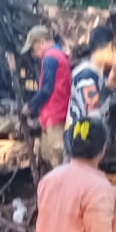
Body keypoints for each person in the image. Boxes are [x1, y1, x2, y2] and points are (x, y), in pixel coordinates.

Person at [20, 25, 71, 167]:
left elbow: (47, 89)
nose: (34, 54)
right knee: (53, 158)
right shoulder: (60, 54)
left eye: (33, 49)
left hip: (54, 116)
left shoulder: (49, 58)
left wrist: (30, 106)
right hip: (60, 112)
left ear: (41, 43)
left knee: (58, 162)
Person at [67, 25, 116, 131]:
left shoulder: (99, 75)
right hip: (84, 141)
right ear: (111, 47)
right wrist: (113, 77)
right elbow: (92, 110)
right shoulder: (86, 74)